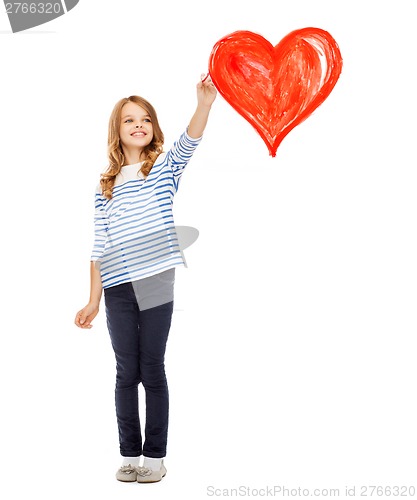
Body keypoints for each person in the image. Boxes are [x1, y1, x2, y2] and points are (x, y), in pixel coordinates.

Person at [74, 75, 217, 483]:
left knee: (151, 368)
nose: (138, 125)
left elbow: (189, 143)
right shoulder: (105, 186)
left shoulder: (161, 170)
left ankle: (155, 457)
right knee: (126, 371)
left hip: (155, 281)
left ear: (153, 127)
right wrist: (92, 300)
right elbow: (98, 247)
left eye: (145, 120)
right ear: (116, 131)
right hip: (117, 286)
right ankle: (129, 455)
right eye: (128, 120)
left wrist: (203, 104)